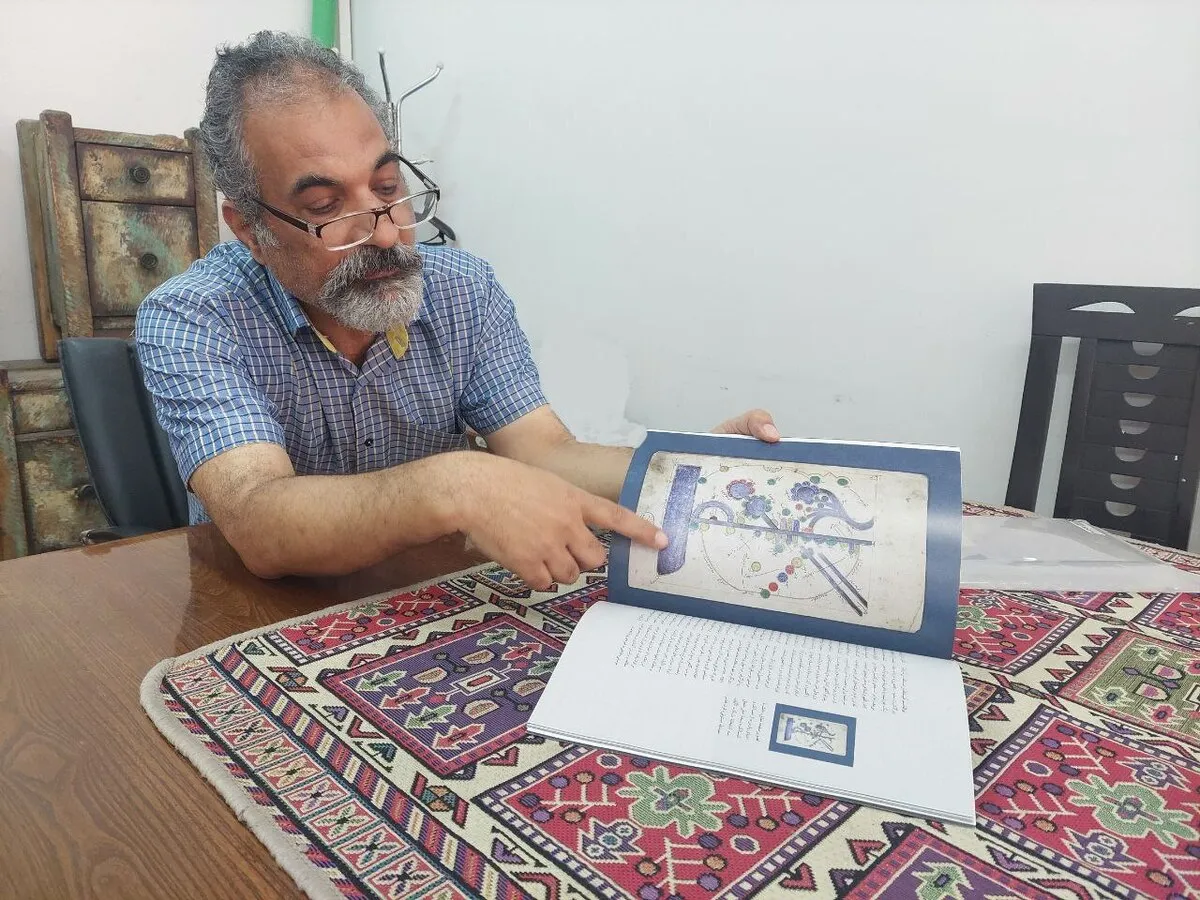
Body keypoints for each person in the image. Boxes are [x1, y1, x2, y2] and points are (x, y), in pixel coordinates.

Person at [135, 31, 778, 588]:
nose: (387, 232)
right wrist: (456, 484)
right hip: (257, 618)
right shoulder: (195, 318)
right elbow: (258, 520)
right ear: (249, 229)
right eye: (327, 208)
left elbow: (543, 452)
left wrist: (680, 468)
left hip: (424, 595)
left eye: (388, 187)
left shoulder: (462, 289)